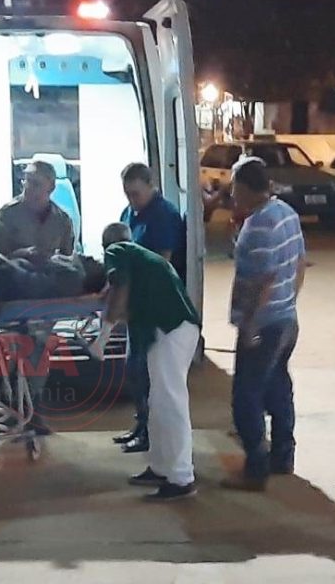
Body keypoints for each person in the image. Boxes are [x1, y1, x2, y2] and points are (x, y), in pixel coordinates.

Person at [89, 222, 201, 501]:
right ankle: (162, 467)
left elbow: (121, 290)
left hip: (170, 330)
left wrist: (103, 337)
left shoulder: (117, 250)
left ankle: (182, 477)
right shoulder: (142, 258)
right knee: (159, 401)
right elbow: (123, 291)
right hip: (174, 328)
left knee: (170, 402)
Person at [221, 157, 306, 492]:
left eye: (234, 187)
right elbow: (299, 263)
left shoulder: (259, 225)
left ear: (244, 188)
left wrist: (250, 325)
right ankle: (283, 456)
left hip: (264, 324)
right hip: (286, 320)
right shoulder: (286, 213)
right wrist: (290, 302)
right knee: (278, 386)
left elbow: (263, 280)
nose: (231, 194)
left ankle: (256, 469)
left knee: (246, 396)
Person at [0, 160, 76, 434]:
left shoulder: (62, 220)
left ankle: (30, 409)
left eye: (36, 183)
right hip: (12, 292)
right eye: (26, 181)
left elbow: (68, 259)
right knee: (15, 350)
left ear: (51, 187)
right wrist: (22, 254)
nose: (29, 187)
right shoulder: (6, 216)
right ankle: (17, 408)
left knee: (37, 349)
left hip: (44, 295)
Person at [114, 163, 186, 454]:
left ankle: (151, 432)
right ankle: (141, 424)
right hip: (137, 306)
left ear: (150, 186)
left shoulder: (163, 215)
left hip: (156, 306)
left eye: (136, 194)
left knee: (149, 373)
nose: (131, 200)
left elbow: (161, 262)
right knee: (135, 370)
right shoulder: (130, 213)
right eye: (127, 194)